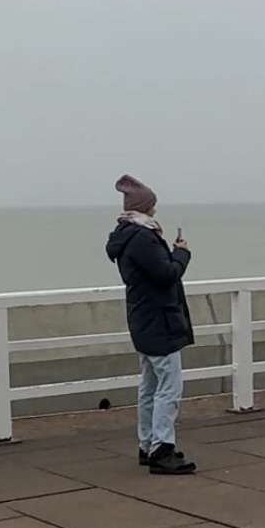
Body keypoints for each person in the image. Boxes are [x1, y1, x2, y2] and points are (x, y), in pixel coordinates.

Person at [106, 174, 196, 474]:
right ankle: (162, 450)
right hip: (159, 321)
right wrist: (181, 254)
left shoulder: (127, 235)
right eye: (152, 203)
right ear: (145, 206)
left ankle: (148, 445)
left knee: (149, 386)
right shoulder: (143, 238)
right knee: (169, 387)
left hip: (143, 317)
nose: (155, 208)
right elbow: (166, 274)